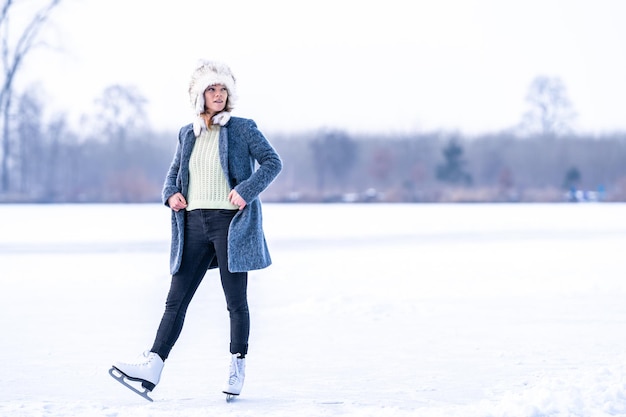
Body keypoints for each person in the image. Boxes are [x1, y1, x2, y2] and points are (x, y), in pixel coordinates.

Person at [112, 60, 282, 399]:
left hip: (229, 225)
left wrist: (246, 190)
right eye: (211, 89)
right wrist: (170, 194)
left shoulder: (243, 128)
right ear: (199, 95)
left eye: (223, 90)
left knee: (236, 301)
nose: (218, 95)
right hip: (192, 224)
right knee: (175, 301)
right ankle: (153, 366)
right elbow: (174, 173)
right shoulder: (188, 132)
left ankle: (237, 365)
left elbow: (272, 162)